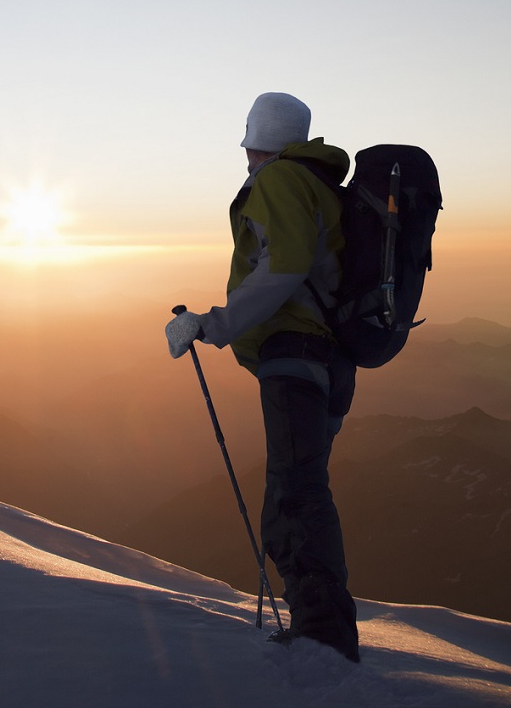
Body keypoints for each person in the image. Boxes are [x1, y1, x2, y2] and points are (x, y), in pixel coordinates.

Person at [164, 92, 360, 663]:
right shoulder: (320, 183)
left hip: (295, 355)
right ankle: (321, 625)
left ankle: (323, 636)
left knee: (294, 496)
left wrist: (212, 324)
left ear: (257, 138)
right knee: (300, 490)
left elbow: (285, 266)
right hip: (330, 359)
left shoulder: (279, 181)